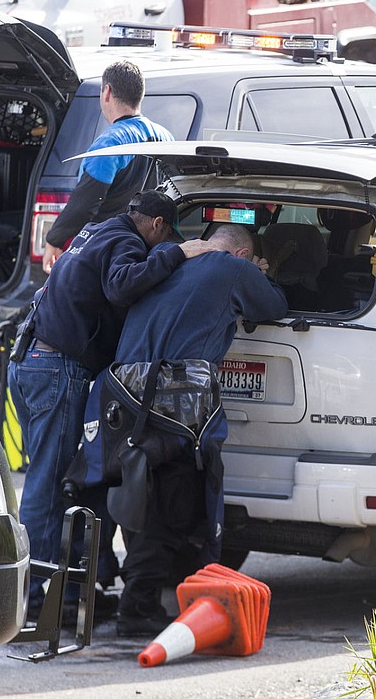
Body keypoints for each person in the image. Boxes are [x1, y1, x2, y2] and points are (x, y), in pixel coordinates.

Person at [10, 191, 217, 622]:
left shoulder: (96, 230)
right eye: (164, 240)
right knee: (49, 486)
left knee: (49, 480)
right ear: (157, 226)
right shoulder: (127, 242)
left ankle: (61, 594)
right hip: (56, 367)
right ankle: (35, 600)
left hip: (30, 359)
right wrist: (177, 255)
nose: (160, 248)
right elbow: (122, 284)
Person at [109, 224, 288, 637]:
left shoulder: (172, 258)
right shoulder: (233, 268)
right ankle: (136, 609)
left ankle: (138, 598)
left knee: (142, 494)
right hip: (175, 401)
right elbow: (274, 306)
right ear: (241, 255)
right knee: (175, 501)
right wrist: (262, 275)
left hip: (123, 394)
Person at [43, 60, 174, 273]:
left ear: (107, 92)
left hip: (108, 249)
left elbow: (87, 202)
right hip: (148, 250)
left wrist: (55, 239)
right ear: (139, 95)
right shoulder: (165, 137)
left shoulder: (110, 143)